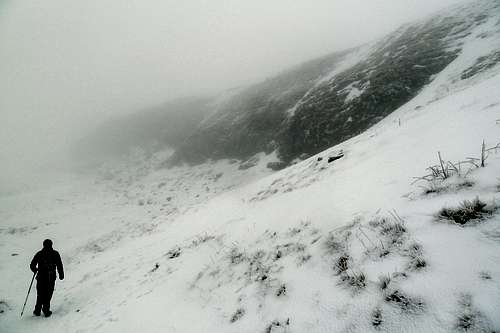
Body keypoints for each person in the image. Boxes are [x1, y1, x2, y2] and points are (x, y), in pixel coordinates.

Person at [30, 239, 64, 317]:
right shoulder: (55, 253)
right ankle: (45, 309)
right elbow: (59, 264)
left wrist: (35, 270)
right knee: (48, 293)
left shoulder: (39, 254)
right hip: (50, 277)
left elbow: (32, 265)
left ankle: (37, 310)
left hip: (41, 277)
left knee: (40, 293)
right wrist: (61, 274)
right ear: (51, 244)